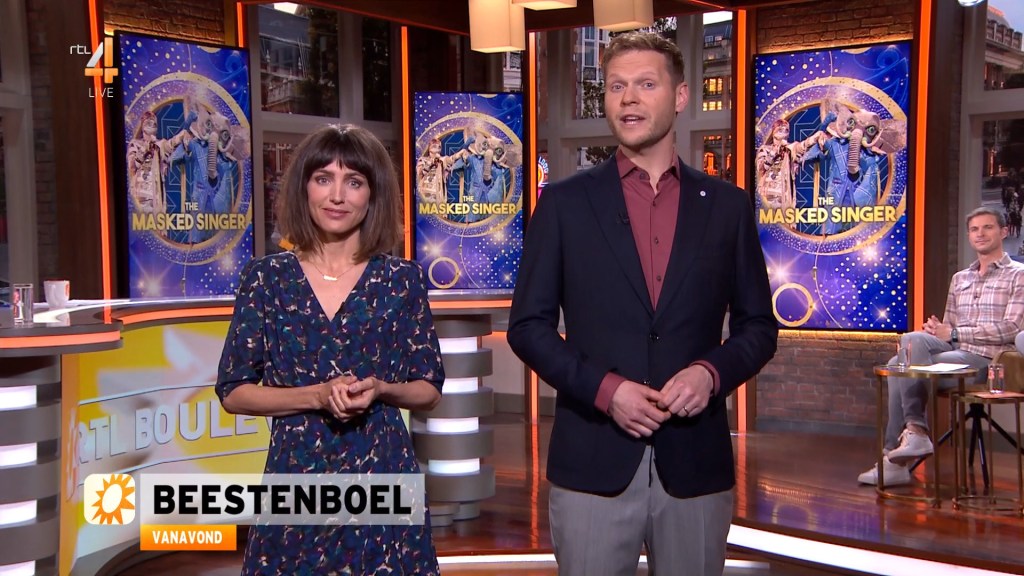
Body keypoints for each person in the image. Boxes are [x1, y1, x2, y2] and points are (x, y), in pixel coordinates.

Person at [507, 32, 778, 576]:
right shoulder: (563, 204)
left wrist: (709, 374)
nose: (628, 98)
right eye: (616, 87)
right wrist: (607, 391)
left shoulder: (727, 207)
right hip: (592, 460)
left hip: (695, 464)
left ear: (680, 96)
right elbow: (528, 327)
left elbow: (758, 328)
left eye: (646, 84)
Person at [216, 123, 445, 575]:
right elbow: (233, 392)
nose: (337, 196)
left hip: (382, 476)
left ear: (373, 195)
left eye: (353, 182)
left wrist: (381, 389)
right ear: (304, 188)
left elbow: (429, 389)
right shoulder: (266, 279)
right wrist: (317, 396)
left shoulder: (402, 280)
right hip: (296, 479)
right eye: (324, 178)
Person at [858, 206, 1024, 486]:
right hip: (954, 356)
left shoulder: (1018, 275)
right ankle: (914, 434)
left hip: (990, 362)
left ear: (1004, 232)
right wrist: (938, 330)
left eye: (988, 227)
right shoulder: (960, 278)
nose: (980, 234)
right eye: (974, 229)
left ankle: (897, 456)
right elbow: (948, 330)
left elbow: (1012, 329)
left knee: (899, 363)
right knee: (910, 343)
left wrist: (955, 333)